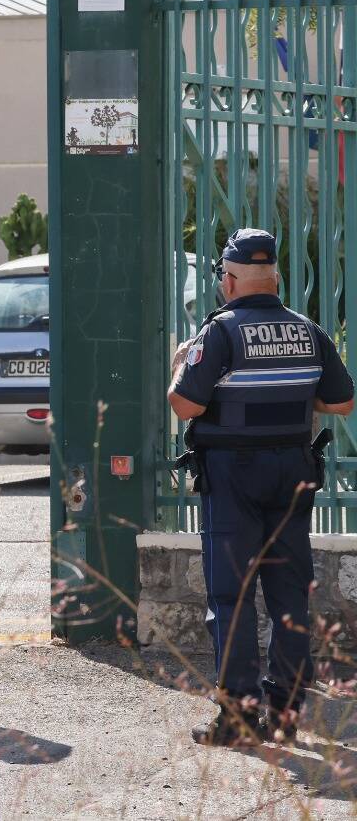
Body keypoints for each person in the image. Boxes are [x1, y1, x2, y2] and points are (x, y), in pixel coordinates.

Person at [169, 227, 356, 746]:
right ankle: (288, 709)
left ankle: (238, 715)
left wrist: (181, 362)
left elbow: (184, 405)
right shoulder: (308, 330)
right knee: (289, 593)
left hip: (233, 475)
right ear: (274, 277)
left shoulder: (220, 334)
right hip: (293, 472)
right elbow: (341, 403)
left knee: (231, 596)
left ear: (228, 280)